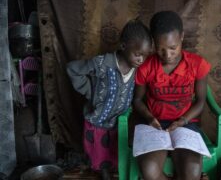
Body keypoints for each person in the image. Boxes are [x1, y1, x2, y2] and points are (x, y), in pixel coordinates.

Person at [66, 19, 152, 180]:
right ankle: (103, 172)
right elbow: (72, 69)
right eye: (138, 54)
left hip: (119, 121)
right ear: (123, 46)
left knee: (115, 149)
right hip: (98, 119)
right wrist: (89, 91)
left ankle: (113, 169)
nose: (141, 60)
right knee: (99, 152)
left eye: (145, 56)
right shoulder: (102, 63)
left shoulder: (137, 69)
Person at [133, 11, 211, 180]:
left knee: (193, 172)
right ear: (153, 42)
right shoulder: (146, 67)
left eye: (172, 48)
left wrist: (183, 120)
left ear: (182, 37)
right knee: (150, 171)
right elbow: (137, 100)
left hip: (185, 123)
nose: (167, 55)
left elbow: (201, 101)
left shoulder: (197, 65)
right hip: (154, 124)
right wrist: (149, 118)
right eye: (160, 49)